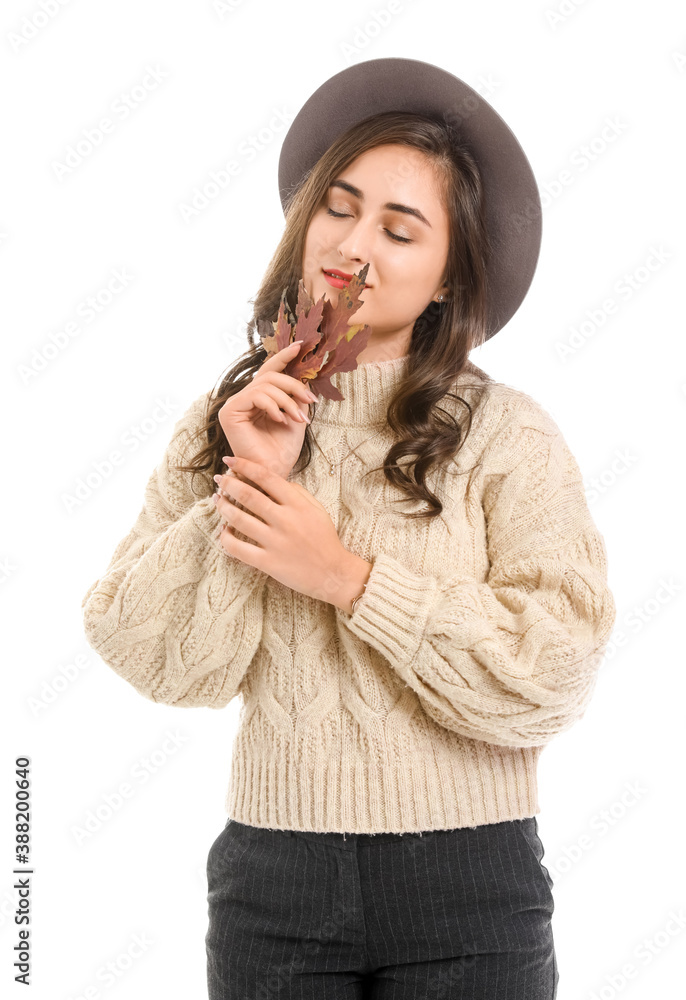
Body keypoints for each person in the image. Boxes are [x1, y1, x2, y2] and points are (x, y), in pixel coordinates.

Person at [81, 58, 616, 999]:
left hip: (471, 889)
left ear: (451, 276)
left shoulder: (510, 436)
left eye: (400, 228)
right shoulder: (225, 420)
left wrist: (350, 579)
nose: (354, 245)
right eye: (339, 207)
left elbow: (556, 673)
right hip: (273, 884)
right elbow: (156, 659)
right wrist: (246, 478)